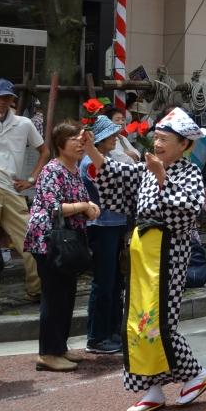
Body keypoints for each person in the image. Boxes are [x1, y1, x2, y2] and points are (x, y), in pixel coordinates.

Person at [84, 106, 206, 411]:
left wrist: (161, 177)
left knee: (161, 322)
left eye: (164, 139)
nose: (157, 144)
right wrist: (90, 148)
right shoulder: (145, 168)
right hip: (143, 250)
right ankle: (152, 387)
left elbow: (189, 210)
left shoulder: (190, 172)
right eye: (156, 137)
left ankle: (195, 374)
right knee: (137, 320)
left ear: (183, 144)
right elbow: (115, 174)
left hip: (169, 251)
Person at [24, 121, 99, 372]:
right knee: (54, 296)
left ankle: (59, 347)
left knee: (66, 296)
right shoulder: (52, 170)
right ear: (60, 144)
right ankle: (47, 353)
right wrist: (84, 206)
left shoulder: (74, 169)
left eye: (81, 139)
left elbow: (78, 202)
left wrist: (89, 208)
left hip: (67, 241)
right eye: (74, 139)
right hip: (48, 241)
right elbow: (53, 207)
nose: (80, 143)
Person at [0, 78, 47, 312]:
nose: (3, 101)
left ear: (12, 99)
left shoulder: (24, 124)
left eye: (7, 97)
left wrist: (31, 180)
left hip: (13, 188)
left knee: (30, 239)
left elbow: (44, 151)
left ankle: (36, 289)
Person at [81, 116, 130, 355]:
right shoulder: (91, 163)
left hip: (114, 224)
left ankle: (112, 331)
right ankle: (97, 336)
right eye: (111, 135)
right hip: (102, 226)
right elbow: (109, 188)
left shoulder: (106, 160)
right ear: (99, 140)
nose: (115, 138)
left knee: (115, 282)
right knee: (104, 282)